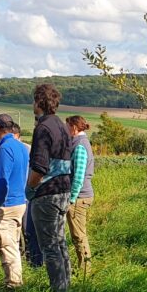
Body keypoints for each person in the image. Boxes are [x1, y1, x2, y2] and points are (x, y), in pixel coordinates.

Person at [27, 84, 74, 292]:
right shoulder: (63, 126)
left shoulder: (43, 128)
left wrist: (30, 187)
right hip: (64, 189)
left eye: (34, 100)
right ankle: (67, 286)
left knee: (50, 247)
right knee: (60, 242)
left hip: (47, 192)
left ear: (39, 101)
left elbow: (40, 167)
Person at [0, 114, 28, 289]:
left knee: (5, 246)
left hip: (6, 205)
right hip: (19, 201)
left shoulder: (5, 149)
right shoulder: (21, 147)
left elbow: (2, 180)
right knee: (14, 244)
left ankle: (13, 285)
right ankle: (15, 281)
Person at [65, 115, 95, 275]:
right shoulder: (79, 143)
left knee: (79, 235)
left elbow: (79, 176)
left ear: (75, 128)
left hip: (80, 197)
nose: (65, 129)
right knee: (78, 234)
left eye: (67, 126)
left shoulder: (80, 145)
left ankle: (85, 272)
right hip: (80, 196)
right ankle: (83, 268)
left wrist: (72, 198)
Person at [14, 123, 43, 268]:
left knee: (28, 229)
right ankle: (19, 257)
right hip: (14, 196)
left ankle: (33, 260)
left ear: (16, 135)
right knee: (16, 230)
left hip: (26, 195)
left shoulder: (27, 149)